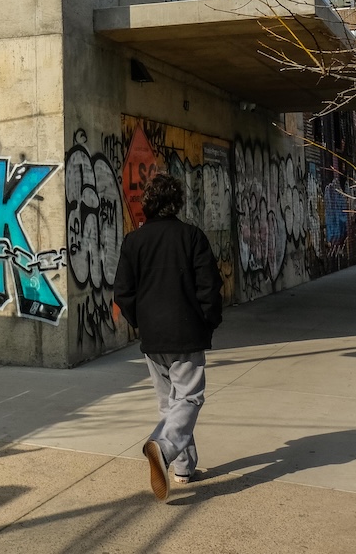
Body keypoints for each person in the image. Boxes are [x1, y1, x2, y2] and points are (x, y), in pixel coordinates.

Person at [113, 170, 224, 501]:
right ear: (176, 203)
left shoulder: (134, 241)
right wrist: (209, 322)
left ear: (148, 203)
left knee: (169, 405)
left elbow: (123, 291)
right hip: (186, 333)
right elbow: (210, 288)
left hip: (153, 337)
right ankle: (162, 448)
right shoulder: (191, 237)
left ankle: (183, 469)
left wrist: (140, 321)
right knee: (188, 399)